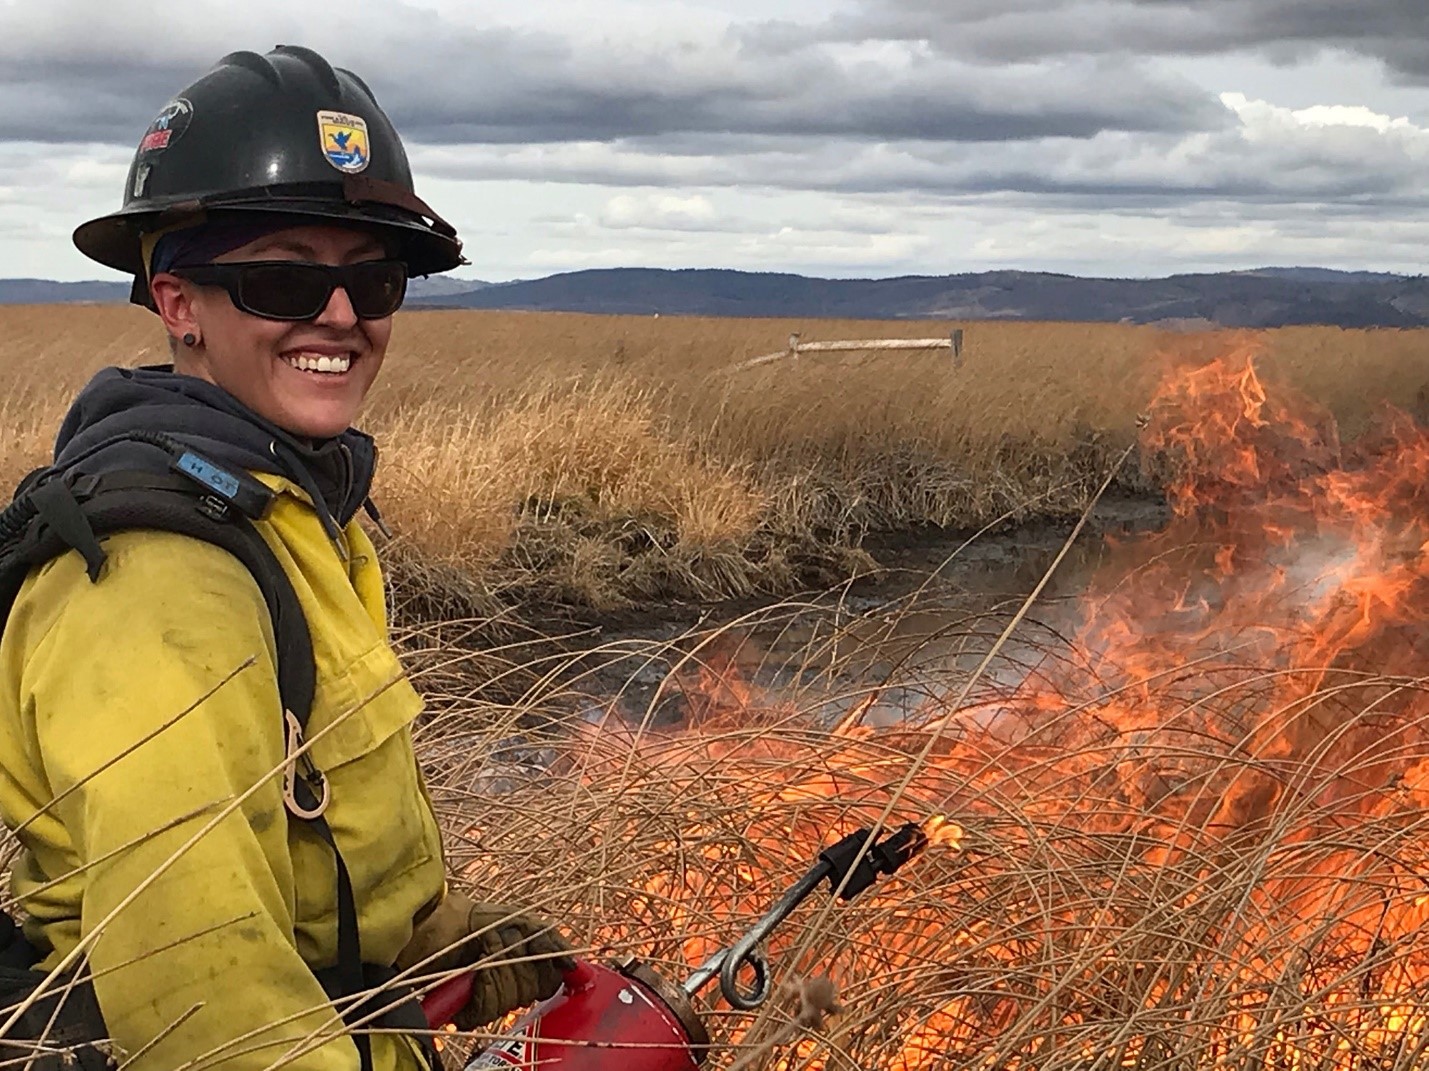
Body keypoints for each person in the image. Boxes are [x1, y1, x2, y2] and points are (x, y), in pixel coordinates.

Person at [0, 45, 573, 1070]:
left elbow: (306, 847)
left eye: (375, 278)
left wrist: (436, 952)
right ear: (179, 304)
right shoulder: (157, 584)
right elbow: (205, 1001)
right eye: (280, 281)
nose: (342, 317)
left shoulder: (296, 513)